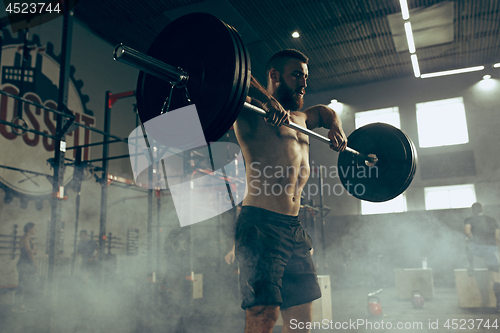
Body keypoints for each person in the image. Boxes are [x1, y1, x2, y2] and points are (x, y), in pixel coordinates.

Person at [232, 49, 347, 333]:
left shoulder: (302, 118)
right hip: (260, 225)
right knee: (263, 314)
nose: (304, 84)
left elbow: (325, 111)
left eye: (306, 77)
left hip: (293, 228)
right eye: (297, 75)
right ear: (274, 76)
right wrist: (266, 99)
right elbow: (230, 82)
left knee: (300, 321)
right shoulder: (249, 111)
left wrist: (335, 126)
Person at [464, 202, 500, 311]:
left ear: (472, 211)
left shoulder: (469, 219)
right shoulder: (492, 220)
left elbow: (467, 231)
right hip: (491, 249)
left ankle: (470, 266)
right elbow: (497, 237)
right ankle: (499, 303)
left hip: (477, 248)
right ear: (482, 210)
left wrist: (472, 238)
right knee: (495, 277)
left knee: (467, 243)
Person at [14, 222, 38, 312]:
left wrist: (33, 250)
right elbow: (30, 252)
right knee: (22, 285)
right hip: (24, 264)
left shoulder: (29, 239)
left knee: (28, 284)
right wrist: (35, 263)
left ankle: (23, 305)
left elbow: (35, 251)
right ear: (29, 229)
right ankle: (17, 306)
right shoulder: (25, 238)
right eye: (34, 228)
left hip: (27, 264)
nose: (35, 230)